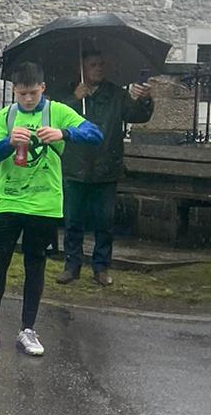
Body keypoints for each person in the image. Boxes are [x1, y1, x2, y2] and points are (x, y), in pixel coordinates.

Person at [0, 61, 102, 358]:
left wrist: (65, 134)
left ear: (43, 89)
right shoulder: (6, 115)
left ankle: (28, 329)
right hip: (9, 201)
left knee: (35, 265)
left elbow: (95, 134)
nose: (27, 99)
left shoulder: (57, 111)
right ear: (13, 91)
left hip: (44, 205)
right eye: (22, 94)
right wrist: (9, 143)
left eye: (33, 93)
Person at [59, 47, 154, 286]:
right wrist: (74, 99)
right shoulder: (69, 91)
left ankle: (101, 267)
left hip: (106, 168)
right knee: (72, 221)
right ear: (81, 68)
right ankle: (72, 265)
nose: (99, 68)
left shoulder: (115, 94)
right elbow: (55, 119)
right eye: (93, 64)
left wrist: (144, 100)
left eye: (101, 64)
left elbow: (137, 116)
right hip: (75, 167)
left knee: (104, 222)